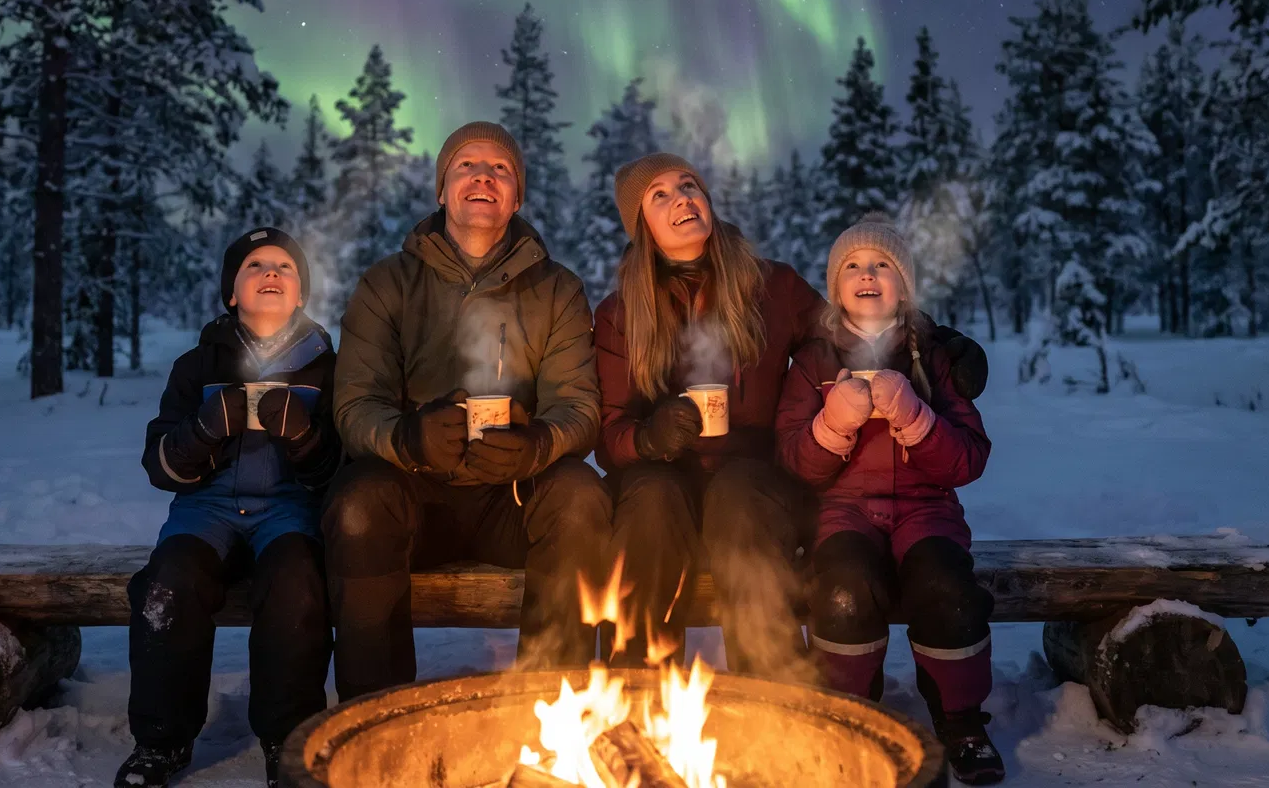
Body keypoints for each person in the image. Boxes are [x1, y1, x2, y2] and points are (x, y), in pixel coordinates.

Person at [323, 121, 610, 699]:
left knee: (581, 498)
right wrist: (408, 439)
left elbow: (577, 405)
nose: (483, 176)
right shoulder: (387, 284)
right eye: (466, 166)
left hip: (511, 496)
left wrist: (538, 445)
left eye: (500, 168)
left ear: (517, 196)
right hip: (412, 490)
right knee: (357, 505)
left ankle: (553, 705)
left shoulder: (557, 289)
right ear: (441, 190)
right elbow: (355, 404)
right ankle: (376, 711)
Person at [775, 217, 1003, 785]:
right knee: (843, 589)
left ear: (904, 287)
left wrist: (916, 417)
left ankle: (961, 719)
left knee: (946, 587)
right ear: (835, 287)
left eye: (882, 265)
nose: (867, 274)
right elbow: (795, 461)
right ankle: (848, 713)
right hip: (843, 513)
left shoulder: (937, 357)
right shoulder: (814, 362)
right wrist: (832, 425)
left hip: (928, 511)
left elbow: (969, 459)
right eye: (852, 266)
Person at [118, 228, 340, 788]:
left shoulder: (327, 368)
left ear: (301, 293)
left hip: (289, 512)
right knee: (167, 584)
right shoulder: (196, 366)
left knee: (298, 585)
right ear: (232, 292)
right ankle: (161, 741)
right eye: (255, 266)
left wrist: (306, 438)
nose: (271, 273)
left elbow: (338, 470)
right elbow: (159, 466)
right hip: (206, 512)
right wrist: (203, 429)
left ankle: (289, 739)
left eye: (285, 267)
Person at [594, 152, 826, 679]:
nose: (681, 198)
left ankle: (775, 692)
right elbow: (609, 434)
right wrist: (648, 439)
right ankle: (636, 687)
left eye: (688, 185)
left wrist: (928, 343)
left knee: (739, 497)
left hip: (754, 481)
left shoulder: (772, 287)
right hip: (662, 476)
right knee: (650, 499)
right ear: (642, 225)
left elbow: (846, 339)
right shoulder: (620, 314)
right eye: (659, 195)